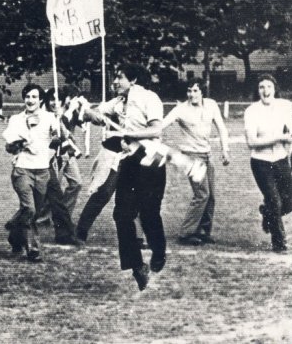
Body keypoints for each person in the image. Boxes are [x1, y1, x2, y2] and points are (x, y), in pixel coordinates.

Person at [83, 63, 166, 291]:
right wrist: (91, 114)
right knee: (122, 215)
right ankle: (137, 266)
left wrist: (125, 133)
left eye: (120, 77)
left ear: (134, 80)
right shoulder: (118, 102)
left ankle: (158, 253)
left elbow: (155, 130)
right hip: (129, 162)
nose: (115, 81)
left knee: (149, 214)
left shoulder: (150, 98)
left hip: (151, 161)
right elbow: (94, 112)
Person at [162, 79, 230, 245]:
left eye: (195, 91)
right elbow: (162, 124)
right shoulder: (180, 109)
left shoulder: (212, 105)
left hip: (207, 154)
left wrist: (225, 150)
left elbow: (221, 128)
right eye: (189, 91)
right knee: (202, 194)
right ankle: (186, 234)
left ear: (202, 92)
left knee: (211, 196)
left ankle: (203, 232)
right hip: (191, 157)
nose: (191, 94)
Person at [2, 83, 58, 262]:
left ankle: (14, 233)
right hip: (22, 169)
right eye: (27, 96)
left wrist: (56, 138)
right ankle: (33, 249)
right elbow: (8, 147)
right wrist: (19, 144)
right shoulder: (16, 119)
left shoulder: (50, 118)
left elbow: (57, 142)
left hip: (42, 170)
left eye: (34, 97)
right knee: (29, 208)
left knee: (33, 211)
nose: (30, 100)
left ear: (41, 100)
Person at [244, 74, 292, 253]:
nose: (265, 91)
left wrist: (289, 142)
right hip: (261, 162)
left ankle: (267, 214)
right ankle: (279, 243)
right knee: (274, 200)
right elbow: (252, 142)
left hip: (281, 159)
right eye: (261, 87)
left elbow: (290, 131)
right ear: (257, 91)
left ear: (275, 89)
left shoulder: (284, 106)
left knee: (290, 201)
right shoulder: (251, 111)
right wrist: (279, 138)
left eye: (269, 87)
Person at [38, 86, 85, 246]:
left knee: (74, 184)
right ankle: (23, 220)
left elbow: (78, 124)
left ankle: (63, 222)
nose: (54, 102)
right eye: (51, 99)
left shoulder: (70, 110)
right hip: (50, 156)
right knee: (46, 192)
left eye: (57, 99)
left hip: (67, 153)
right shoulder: (45, 114)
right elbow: (55, 133)